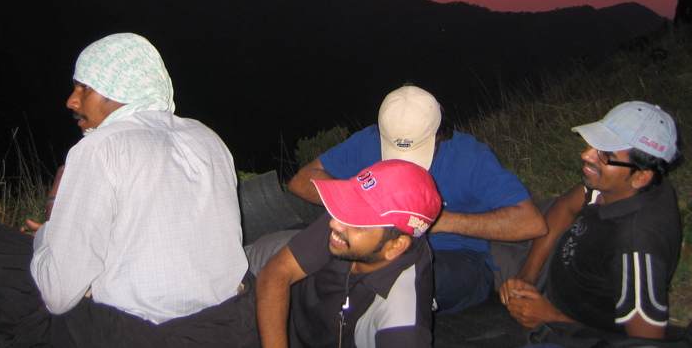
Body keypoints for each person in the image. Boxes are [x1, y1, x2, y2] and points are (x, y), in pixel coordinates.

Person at [0, 32, 256, 347]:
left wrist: (49, 232)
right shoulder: (208, 138)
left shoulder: (100, 148)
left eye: (85, 88)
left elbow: (58, 295)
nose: (72, 100)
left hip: (145, 335)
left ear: (121, 91)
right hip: (231, 325)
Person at [288, 85, 546, 313]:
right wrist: (362, 200)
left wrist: (440, 221)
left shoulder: (469, 156)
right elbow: (301, 181)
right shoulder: (368, 141)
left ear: (438, 132)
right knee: (315, 263)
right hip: (376, 246)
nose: (404, 163)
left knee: (402, 278)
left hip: (454, 257)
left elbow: (531, 223)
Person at [499, 101, 682, 342]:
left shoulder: (637, 245)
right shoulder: (619, 187)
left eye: (606, 154)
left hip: (578, 332)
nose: (586, 154)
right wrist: (528, 277)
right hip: (561, 289)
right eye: (595, 144)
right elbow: (565, 207)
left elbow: (644, 343)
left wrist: (551, 318)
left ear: (640, 177)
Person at [257, 159, 442, 348]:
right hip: (276, 315)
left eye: (359, 221)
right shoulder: (344, 222)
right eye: (349, 203)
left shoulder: (403, 322)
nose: (334, 223)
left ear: (395, 247)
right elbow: (276, 272)